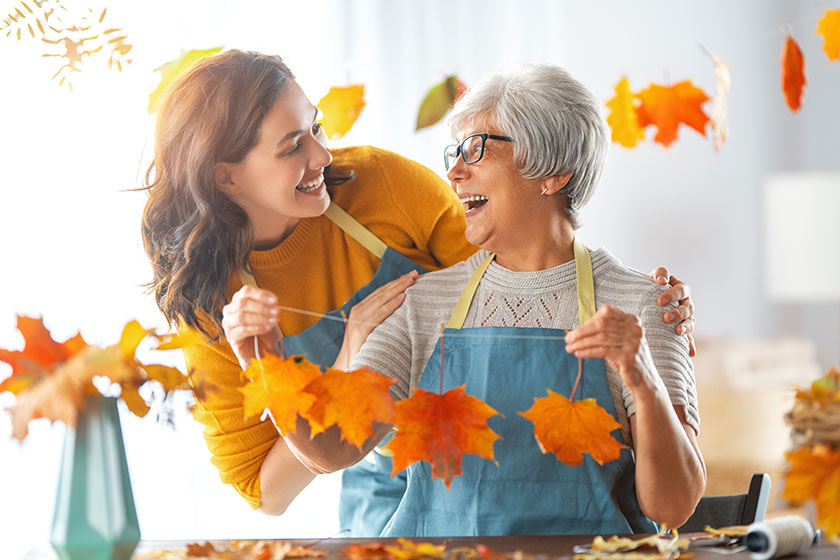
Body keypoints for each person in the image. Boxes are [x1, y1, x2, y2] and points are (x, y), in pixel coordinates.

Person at [140, 50, 697, 536]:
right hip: (399, 519)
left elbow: (521, 253)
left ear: (552, 169)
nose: (454, 173)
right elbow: (320, 458)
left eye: (475, 148)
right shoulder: (418, 306)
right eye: (292, 146)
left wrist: (644, 361)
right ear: (226, 178)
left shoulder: (642, 306)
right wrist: (266, 360)